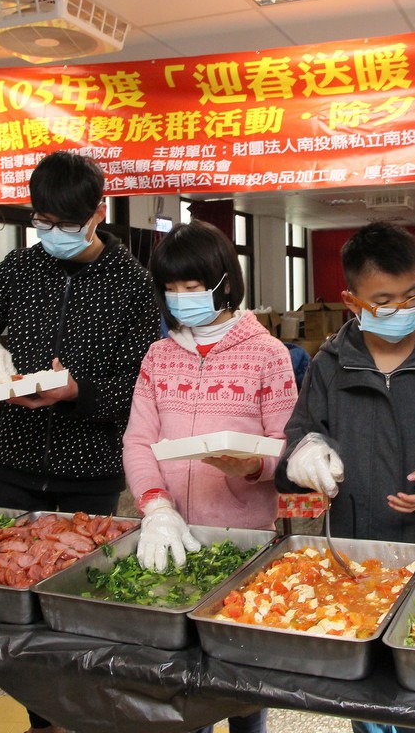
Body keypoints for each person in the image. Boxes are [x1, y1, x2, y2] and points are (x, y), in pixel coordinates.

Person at [0, 150, 158, 733]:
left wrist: (76, 392)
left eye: (66, 223)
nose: (52, 234)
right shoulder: (20, 269)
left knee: (80, 608)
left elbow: (138, 389)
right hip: (20, 464)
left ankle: (84, 715)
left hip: (92, 475)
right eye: (43, 221)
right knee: (16, 607)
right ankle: (41, 719)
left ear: (98, 212)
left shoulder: (130, 282)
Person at [275, 221, 415, 733]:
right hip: (353, 549)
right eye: (385, 300)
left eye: (413, 294)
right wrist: (306, 455)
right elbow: (301, 435)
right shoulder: (330, 366)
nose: (404, 309)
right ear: (352, 301)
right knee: (365, 690)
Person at [122, 221, 296, 733]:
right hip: (171, 535)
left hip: (242, 542)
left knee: (242, 677)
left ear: (223, 282)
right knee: (179, 676)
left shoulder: (268, 355)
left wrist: (251, 465)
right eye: (171, 289)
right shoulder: (158, 356)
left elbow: (287, 448)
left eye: (192, 288)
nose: (181, 299)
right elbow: (137, 440)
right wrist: (155, 506)